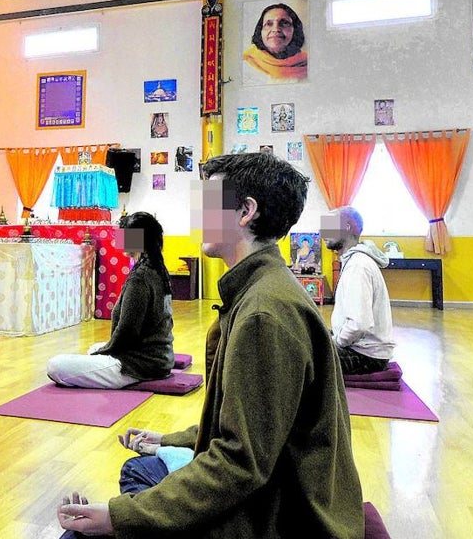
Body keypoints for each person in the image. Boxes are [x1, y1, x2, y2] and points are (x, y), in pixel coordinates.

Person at [57, 152, 363, 538]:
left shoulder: (263, 314)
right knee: (141, 469)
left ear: (245, 212)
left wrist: (119, 517)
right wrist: (174, 440)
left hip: (281, 515)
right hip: (273, 488)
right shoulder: (261, 291)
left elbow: (239, 464)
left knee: (81, 532)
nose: (198, 216)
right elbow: (250, 424)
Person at [46, 211, 175, 388]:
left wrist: (106, 351)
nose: (118, 240)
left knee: (56, 365)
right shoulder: (157, 270)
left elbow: (128, 331)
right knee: (93, 348)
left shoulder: (140, 278)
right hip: (160, 358)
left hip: (139, 365)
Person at [324, 206, 394, 375]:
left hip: (365, 356)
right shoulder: (354, 261)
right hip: (359, 348)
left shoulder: (358, 266)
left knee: (298, 357)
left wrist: (335, 343)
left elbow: (359, 324)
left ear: (347, 227)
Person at [242, 3, 308, 80]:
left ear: (296, 30)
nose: (276, 29)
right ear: (260, 31)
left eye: (284, 23)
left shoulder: (310, 64)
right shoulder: (245, 66)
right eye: (269, 24)